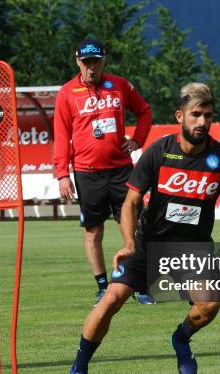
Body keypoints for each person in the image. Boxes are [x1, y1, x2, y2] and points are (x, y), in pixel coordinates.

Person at [61, 82, 220, 374]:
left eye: (208, 115)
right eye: (195, 114)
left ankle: (181, 338)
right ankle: (78, 368)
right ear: (180, 116)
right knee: (111, 300)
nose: (202, 122)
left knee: (209, 305)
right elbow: (131, 202)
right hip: (149, 241)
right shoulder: (159, 152)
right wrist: (128, 241)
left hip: (191, 248)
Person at [53, 38, 154, 305]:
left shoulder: (119, 85)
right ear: (78, 62)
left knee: (133, 229)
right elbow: (61, 136)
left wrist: (137, 140)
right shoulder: (66, 93)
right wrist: (62, 173)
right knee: (92, 232)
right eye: (86, 63)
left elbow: (144, 111)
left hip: (122, 170)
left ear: (103, 60)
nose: (91, 68)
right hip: (87, 173)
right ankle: (101, 286)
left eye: (96, 62)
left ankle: (139, 284)